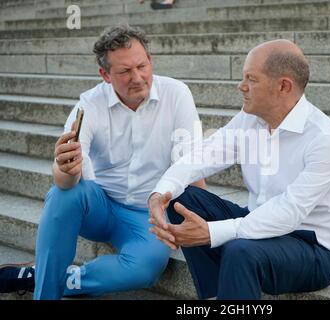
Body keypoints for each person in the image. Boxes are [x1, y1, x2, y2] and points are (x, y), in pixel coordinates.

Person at [0, 24, 205, 299]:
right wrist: (65, 169)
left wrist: (205, 223)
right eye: (124, 71)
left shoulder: (177, 94)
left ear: (150, 61)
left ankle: (42, 276)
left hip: (149, 214)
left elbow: (191, 166)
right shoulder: (89, 104)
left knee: (145, 269)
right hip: (100, 206)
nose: (138, 77)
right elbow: (64, 177)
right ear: (105, 75)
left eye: (142, 66)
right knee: (64, 193)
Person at [149, 39, 330, 300]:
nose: (241, 86)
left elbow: (289, 213)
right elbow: (205, 154)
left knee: (240, 251)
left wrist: (211, 233)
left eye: (251, 79)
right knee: (181, 198)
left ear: (283, 86)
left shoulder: (325, 138)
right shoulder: (250, 119)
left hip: (311, 249)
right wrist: (160, 193)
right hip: (255, 222)